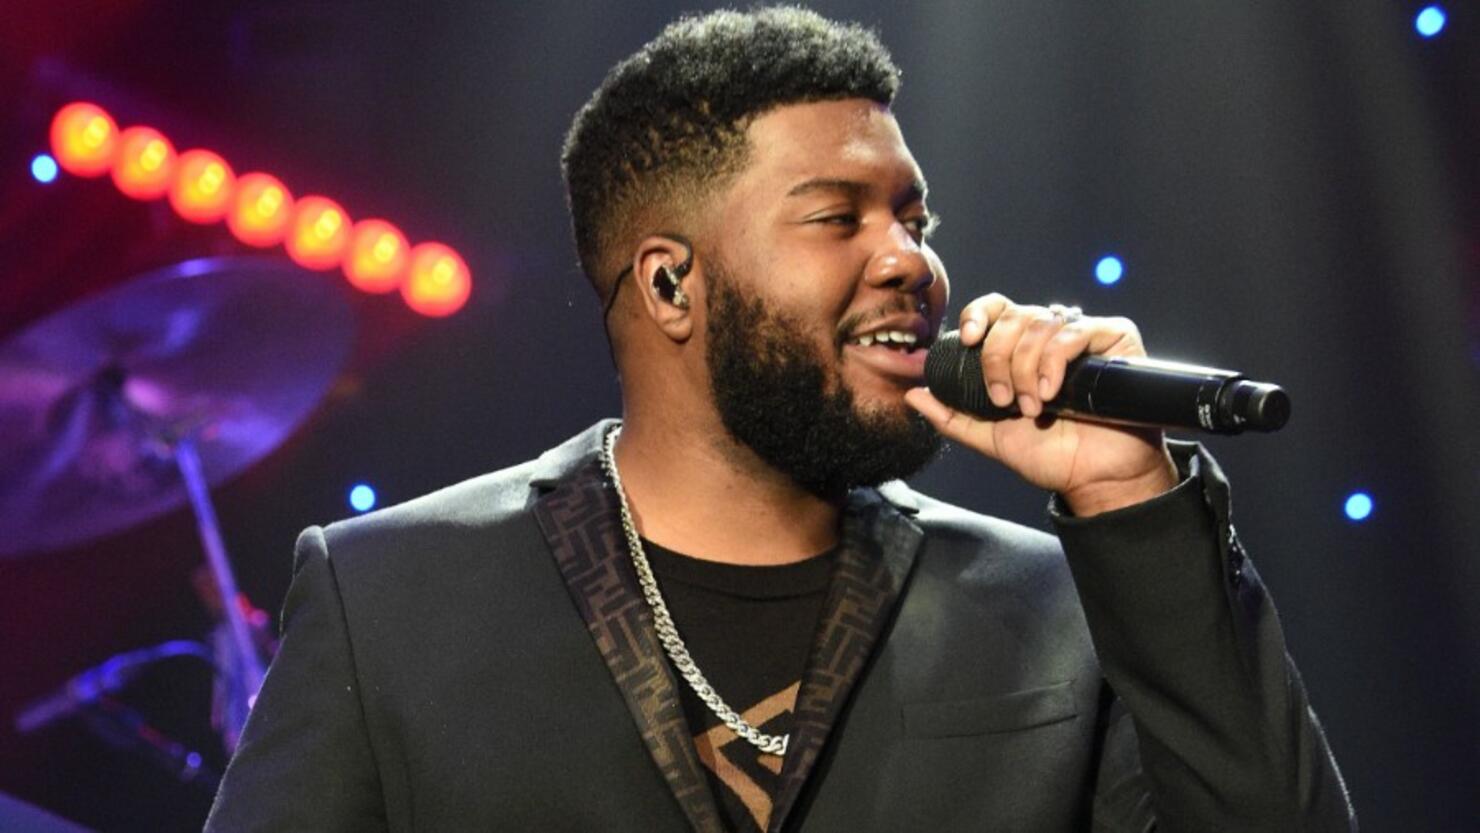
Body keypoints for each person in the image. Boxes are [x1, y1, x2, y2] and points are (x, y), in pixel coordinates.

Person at [204, 8, 1355, 832]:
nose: (910, 261)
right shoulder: (389, 595)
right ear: (669, 283)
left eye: (914, 218)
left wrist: (1126, 495)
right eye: (837, 217)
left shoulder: (1053, 603)